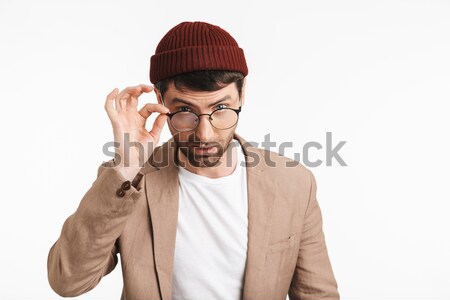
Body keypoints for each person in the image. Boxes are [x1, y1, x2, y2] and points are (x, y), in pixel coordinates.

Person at [47, 21, 339, 300]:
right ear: (160, 100)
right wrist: (126, 166)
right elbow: (68, 281)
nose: (204, 132)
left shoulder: (294, 185)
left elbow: (318, 294)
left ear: (242, 94)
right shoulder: (129, 182)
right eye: (185, 109)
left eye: (221, 107)